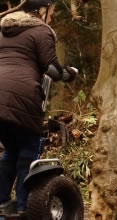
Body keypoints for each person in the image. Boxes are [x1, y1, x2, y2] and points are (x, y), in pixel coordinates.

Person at [0, 0, 77, 212]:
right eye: (50, 13)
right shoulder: (41, 30)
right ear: (40, 12)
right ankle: (26, 208)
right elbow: (51, 68)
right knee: (28, 151)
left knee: (10, 151)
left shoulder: (3, 30)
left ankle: (2, 203)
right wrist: (70, 73)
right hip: (22, 98)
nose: (50, 18)